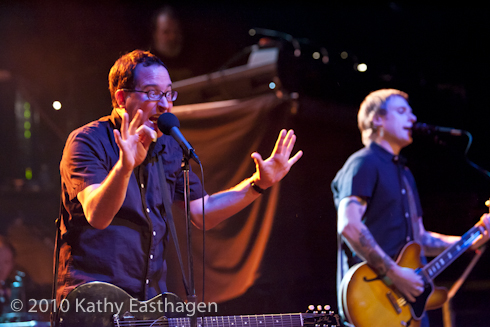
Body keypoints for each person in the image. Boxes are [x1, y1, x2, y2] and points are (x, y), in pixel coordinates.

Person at [57, 50, 302, 305]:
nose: (164, 105)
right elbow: (97, 215)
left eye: (168, 94)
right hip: (93, 304)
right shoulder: (87, 141)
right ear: (121, 98)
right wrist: (124, 167)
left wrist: (258, 184)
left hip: (149, 303)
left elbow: (202, 213)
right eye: (152, 93)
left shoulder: (169, 148)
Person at [331, 88, 490, 326]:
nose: (413, 119)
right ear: (378, 119)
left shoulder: (404, 173)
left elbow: (421, 238)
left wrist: (469, 240)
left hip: (407, 308)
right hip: (373, 303)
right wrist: (395, 275)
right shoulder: (363, 163)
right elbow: (349, 224)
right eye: (402, 111)